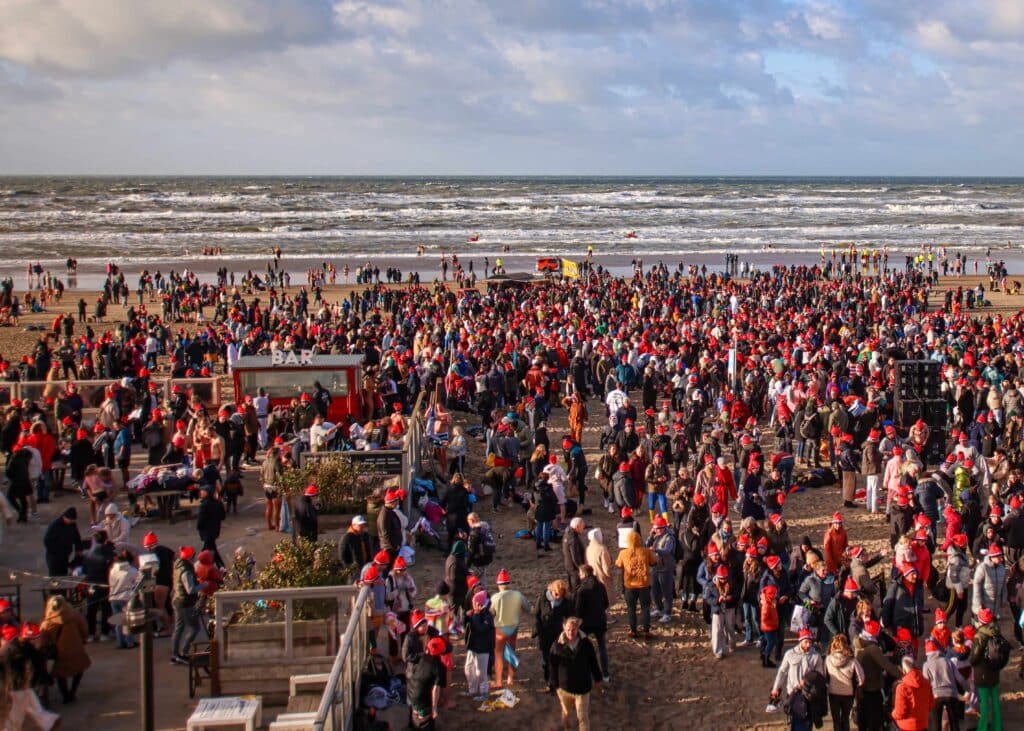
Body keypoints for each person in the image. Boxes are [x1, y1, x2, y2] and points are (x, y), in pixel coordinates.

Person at [0, 622, 60, 730]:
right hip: (17, 686)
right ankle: (48, 721)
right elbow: (38, 667)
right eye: (35, 638)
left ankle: (48, 721)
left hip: (18, 685)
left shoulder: (14, 648)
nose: (37, 640)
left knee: (30, 706)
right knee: (18, 712)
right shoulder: (22, 651)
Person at [549, 615, 603, 731]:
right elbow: (553, 666)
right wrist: (554, 685)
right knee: (566, 714)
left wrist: (598, 678)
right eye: (568, 629)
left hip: (582, 688)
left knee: (583, 717)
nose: (570, 632)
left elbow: (593, 661)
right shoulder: (557, 645)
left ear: (578, 629)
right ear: (564, 628)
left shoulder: (586, 643)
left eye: (573, 629)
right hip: (564, 689)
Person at [39, 594, 91, 704]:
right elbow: (84, 629)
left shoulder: (47, 623)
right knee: (79, 669)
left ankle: (65, 695)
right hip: (76, 648)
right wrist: (83, 639)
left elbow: (43, 641)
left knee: (60, 674)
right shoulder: (75, 616)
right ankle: (73, 691)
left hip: (60, 652)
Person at [770, 627, 824, 728]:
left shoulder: (816, 656)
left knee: (807, 724)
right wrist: (775, 688)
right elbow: (782, 672)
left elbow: (820, 675)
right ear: (800, 641)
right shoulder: (790, 654)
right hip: (794, 695)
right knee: (796, 723)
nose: (808, 645)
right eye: (806, 642)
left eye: (810, 642)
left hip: (809, 696)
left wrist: (808, 679)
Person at [490, 569, 530, 689]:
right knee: (511, 652)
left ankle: (498, 680)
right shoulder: (517, 595)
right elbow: (527, 608)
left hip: (500, 628)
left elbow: (491, 613)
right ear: (509, 583)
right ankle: (510, 678)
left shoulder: (495, 597)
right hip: (513, 627)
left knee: (498, 654)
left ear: (498, 585)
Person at [969, 608, 1007, 731]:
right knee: (996, 702)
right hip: (994, 672)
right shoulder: (996, 631)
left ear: (980, 621)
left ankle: (982, 728)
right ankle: (998, 727)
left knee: (984, 705)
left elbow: (974, 657)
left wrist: (971, 662)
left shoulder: (979, 636)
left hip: (982, 674)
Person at [615, 529, 656, 639]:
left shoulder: (623, 553)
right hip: (644, 585)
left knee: (631, 609)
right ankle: (647, 631)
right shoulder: (646, 551)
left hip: (630, 585)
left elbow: (618, 565)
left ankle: (633, 631)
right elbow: (654, 562)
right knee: (645, 608)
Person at [170, 545, 207, 665]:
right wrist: (203, 585)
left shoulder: (178, 566)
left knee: (179, 628)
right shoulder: (186, 571)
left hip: (178, 600)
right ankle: (183, 652)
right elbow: (190, 589)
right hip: (185, 603)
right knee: (194, 628)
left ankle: (175, 654)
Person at [574, 563, 610, 681]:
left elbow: (578, 610)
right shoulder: (600, 585)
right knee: (602, 648)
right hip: (600, 620)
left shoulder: (582, 590)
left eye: (580, 573)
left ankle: (587, 673)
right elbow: (606, 603)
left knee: (584, 648)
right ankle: (605, 675)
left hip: (586, 624)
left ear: (584, 574)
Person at [535, 579, 572, 692]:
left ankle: (556, 682)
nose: (557, 597)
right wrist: (537, 630)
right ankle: (549, 681)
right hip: (545, 634)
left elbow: (569, 616)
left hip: (557, 634)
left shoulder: (565, 602)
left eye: (560, 595)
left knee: (558, 659)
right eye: (556, 594)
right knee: (546, 659)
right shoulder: (542, 598)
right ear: (551, 591)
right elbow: (537, 614)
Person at [921, 638, 965, 731]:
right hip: (951, 694)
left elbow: (925, 683)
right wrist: (967, 690)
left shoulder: (926, 665)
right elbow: (960, 678)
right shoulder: (948, 661)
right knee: (954, 723)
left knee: (937, 725)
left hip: (935, 696)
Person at [824, 633, 864, 731]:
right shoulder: (852, 660)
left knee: (836, 720)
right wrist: (858, 686)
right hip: (848, 693)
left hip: (833, 692)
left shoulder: (828, 659)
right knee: (845, 719)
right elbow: (862, 678)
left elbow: (825, 676)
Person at [406, 636, 447, 730]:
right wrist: (434, 708)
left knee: (414, 713)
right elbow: (436, 690)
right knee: (424, 722)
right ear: (442, 652)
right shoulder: (440, 668)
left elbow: (409, 669)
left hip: (411, 693)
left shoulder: (419, 657)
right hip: (422, 700)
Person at [463, 590, 494, 701]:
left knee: (481, 672)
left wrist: (475, 616)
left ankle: (484, 692)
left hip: (483, 647)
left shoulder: (487, 616)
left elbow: (482, 629)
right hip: (472, 646)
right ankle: (473, 690)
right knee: (469, 668)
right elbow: (466, 627)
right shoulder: (475, 613)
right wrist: (465, 617)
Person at [891, 655, 935, 731]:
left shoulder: (902, 687)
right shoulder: (926, 683)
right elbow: (931, 704)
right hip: (922, 724)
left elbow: (900, 712)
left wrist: (893, 714)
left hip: (906, 726)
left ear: (904, 670)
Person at [108, 548, 140, 649]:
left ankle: (120, 642)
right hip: (126, 598)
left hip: (113, 598)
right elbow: (138, 584)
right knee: (128, 622)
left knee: (119, 622)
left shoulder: (113, 569)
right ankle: (129, 642)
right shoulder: (132, 571)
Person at [705, 563, 737, 659]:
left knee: (730, 628)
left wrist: (731, 598)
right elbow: (707, 599)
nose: (723, 580)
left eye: (725, 578)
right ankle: (718, 651)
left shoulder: (731, 583)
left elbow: (737, 595)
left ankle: (732, 645)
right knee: (717, 630)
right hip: (717, 610)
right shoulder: (711, 585)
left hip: (729, 608)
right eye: (721, 578)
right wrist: (717, 601)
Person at [42, 507, 84, 577]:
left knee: (63, 574)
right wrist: (57, 551)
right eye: (70, 520)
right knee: (55, 576)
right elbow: (47, 541)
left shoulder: (72, 524)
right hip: (54, 557)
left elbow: (77, 537)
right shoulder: (55, 526)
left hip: (65, 555)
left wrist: (79, 549)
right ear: (65, 517)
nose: (72, 522)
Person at [195, 486, 226, 568]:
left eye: (203, 491)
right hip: (215, 530)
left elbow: (201, 520)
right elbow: (223, 516)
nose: (201, 493)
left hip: (206, 531)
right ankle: (221, 567)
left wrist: (199, 527)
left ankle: (201, 567)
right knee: (211, 549)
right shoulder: (218, 503)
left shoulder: (204, 505)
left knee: (207, 550)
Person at [340, 515, 373, 580]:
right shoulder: (347, 537)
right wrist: (349, 568)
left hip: (365, 566)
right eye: (360, 525)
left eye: (363, 525)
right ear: (354, 525)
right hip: (354, 570)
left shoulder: (365, 536)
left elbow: (369, 550)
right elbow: (342, 555)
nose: (362, 527)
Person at [563, 517, 587, 593]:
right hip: (575, 569)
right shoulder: (573, 539)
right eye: (582, 528)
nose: (582, 530)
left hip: (568, 565)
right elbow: (576, 556)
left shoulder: (567, 534)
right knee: (576, 589)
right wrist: (582, 568)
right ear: (577, 527)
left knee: (571, 588)